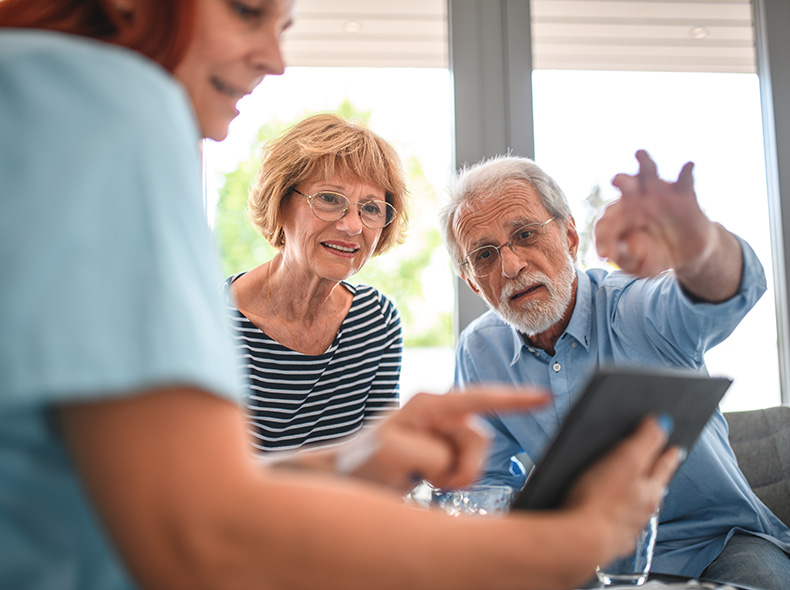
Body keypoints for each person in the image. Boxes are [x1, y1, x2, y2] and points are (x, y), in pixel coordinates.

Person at [0, 1, 681, 589]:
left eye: (373, 208)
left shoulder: (33, 85)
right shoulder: (109, 100)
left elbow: (133, 486)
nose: (274, 58)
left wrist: (348, 459)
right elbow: (200, 529)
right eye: (245, 9)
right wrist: (573, 543)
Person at [440, 151, 790, 589]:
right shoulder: (480, 350)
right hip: (585, 558)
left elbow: (723, 291)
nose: (511, 267)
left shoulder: (636, 307)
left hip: (716, 544)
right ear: (472, 280)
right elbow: (482, 488)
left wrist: (695, 239)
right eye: (485, 255)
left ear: (569, 236)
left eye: (526, 234)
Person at [223, 113, 405, 453]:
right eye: (330, 199)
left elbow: (380, 464)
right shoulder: (211, 322)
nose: (352, 226)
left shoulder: (376, 320)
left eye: (370, 208)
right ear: (280, 204)